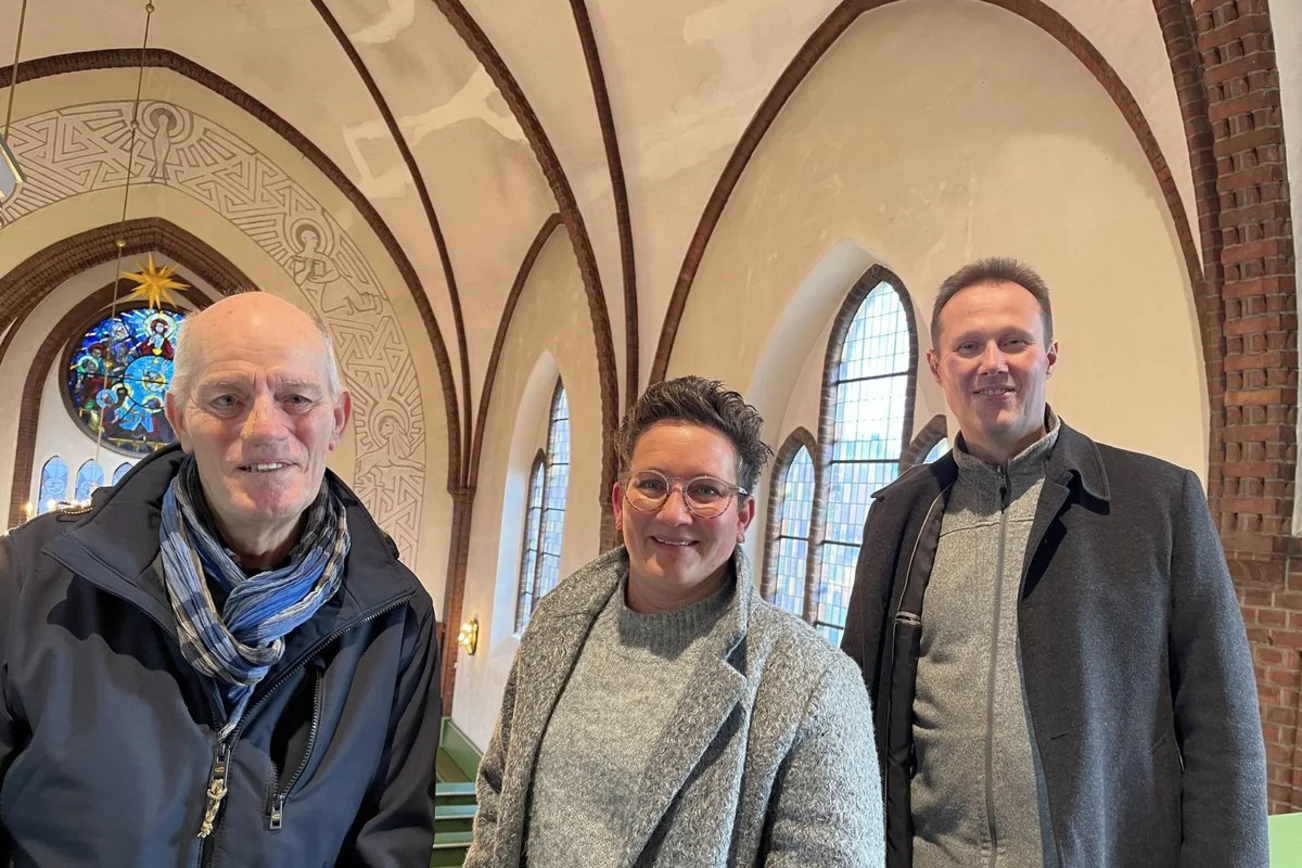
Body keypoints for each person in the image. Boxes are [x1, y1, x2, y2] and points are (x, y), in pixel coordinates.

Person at [842, 258, 1268, 867]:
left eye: (1014, 342)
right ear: (937, 366)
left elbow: (1222, 728)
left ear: (1049, 356)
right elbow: (857, 711)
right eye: (968, 346)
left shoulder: (1155, 504)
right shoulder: (897, 515)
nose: (992, 363)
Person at [0, 292, 441, 866]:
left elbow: (390, 849)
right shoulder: (31, 579)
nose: (265, 428)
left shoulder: (396, 621)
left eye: (297, 398)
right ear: (179, 419)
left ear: (337, 419)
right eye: (228, 399)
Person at [466, 376, 884, 867]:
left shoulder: (815, 684)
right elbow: (499, 794)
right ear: (620, 503)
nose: (674, 514)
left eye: (705, 491)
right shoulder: (557, 624)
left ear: (743, 516)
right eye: (652, 485)